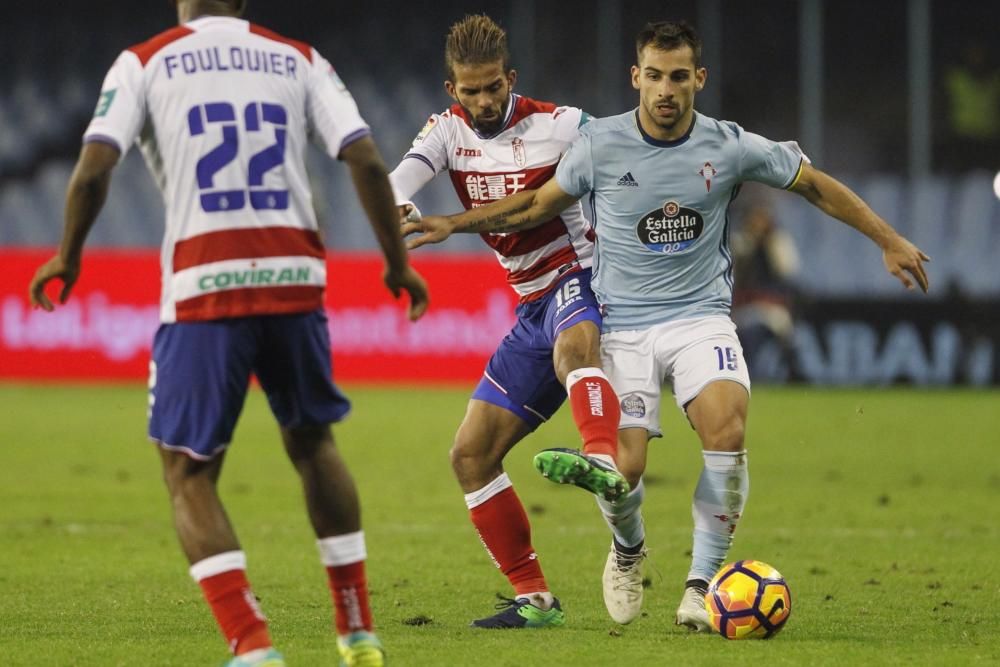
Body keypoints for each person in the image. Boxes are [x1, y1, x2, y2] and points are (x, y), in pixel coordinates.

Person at [402, 19, 930, 631]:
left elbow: (811, 184)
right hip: (624, 325)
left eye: (679, 76)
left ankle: (700, 587)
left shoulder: (728, 145)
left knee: (727, 434)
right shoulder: (601, 145)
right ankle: (628, 549)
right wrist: (451, 224)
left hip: (701, 318)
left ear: (698, 79)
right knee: (623, 473)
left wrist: (888, 240)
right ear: (637, 78)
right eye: (654, 76)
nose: (666, 90)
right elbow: (533, 204)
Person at [28, 1, 428, 665]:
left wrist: (68, 254)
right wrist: (397, 263)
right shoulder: (298, 58)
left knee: (188, 469)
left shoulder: (145, 61)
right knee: (312, 441)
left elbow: (96, 166)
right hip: (295, 273)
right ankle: (357, 629)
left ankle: (253, 644)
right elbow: (363, 158)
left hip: (205, 282)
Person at [387, 14, 628, 629]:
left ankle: (599, 457)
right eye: (471, 90)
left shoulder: (563, 124)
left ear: (511, 78)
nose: (485, 100)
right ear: (452, 90)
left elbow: (634, 157)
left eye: (494, 86)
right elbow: (397, 185)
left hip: (585, 279)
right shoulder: (444, 133)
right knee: (470, 455)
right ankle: (535, 600)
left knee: (573, 352)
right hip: (531, 308)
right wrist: (399, 207)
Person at [730, 202, 800, 381]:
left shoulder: (777, 242)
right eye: (755, 219)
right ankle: (745, 375)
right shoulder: (741, 242)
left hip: (770, 305)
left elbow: (787, 274)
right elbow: (734, 277)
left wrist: (770, 245)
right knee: (739, 334)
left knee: (784, 330)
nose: (758, 223)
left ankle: (794, 374)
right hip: (744, 306)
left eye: (762, 219)